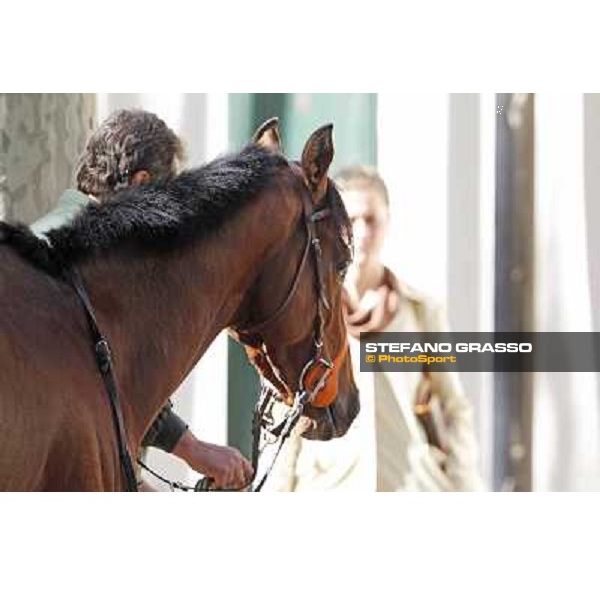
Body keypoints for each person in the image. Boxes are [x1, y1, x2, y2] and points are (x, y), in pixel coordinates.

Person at [30, 108, 253, 491]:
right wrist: (193, 449)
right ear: (140, 184)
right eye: (164, 200)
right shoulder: (81, 259)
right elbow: (111, 382)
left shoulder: (42, 242)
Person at [267, 166, 484, 492]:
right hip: (328, 489)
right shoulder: (308, 315)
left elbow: (454, 407)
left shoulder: (420, 313)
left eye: (372, 219)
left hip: (412, 486)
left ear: (388, 222)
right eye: (352, 220)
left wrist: (465, 486)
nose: (363, 232)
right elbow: (287, 412)